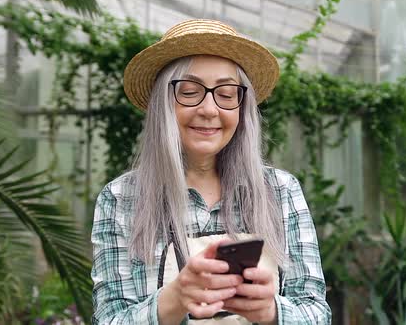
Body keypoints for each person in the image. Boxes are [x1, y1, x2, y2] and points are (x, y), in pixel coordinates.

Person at [91, 19, 331, 324]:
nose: (208, 109)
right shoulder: (122, 198)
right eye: (189, 92)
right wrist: (176, 298)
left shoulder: (281, 191)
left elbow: (316, 312)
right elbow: (110, 319)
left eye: (226, 94)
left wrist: (271, 312)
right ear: (162, 105)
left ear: (242, 109)